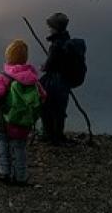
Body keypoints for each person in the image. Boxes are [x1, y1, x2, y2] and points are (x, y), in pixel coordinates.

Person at [0, 40, 45, 185]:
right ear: (25, 58)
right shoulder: (33, 79)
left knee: (2, 143)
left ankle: (4, 172)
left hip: (5, 121)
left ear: (8, 58)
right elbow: (43, 97)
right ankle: (21, 177)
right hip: (23, 122)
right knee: (20, 148)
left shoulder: (4, 77)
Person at [40, 12, 71, 145]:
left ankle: (51, 136)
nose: (49, 29)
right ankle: (57, 135)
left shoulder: (56, 45)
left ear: (55, 28)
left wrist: (43, 67)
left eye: (50, 27)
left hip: (55, 81)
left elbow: (50, 64)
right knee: (60, 109)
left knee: (47, 107)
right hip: (64, 81)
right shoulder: (66, 40)